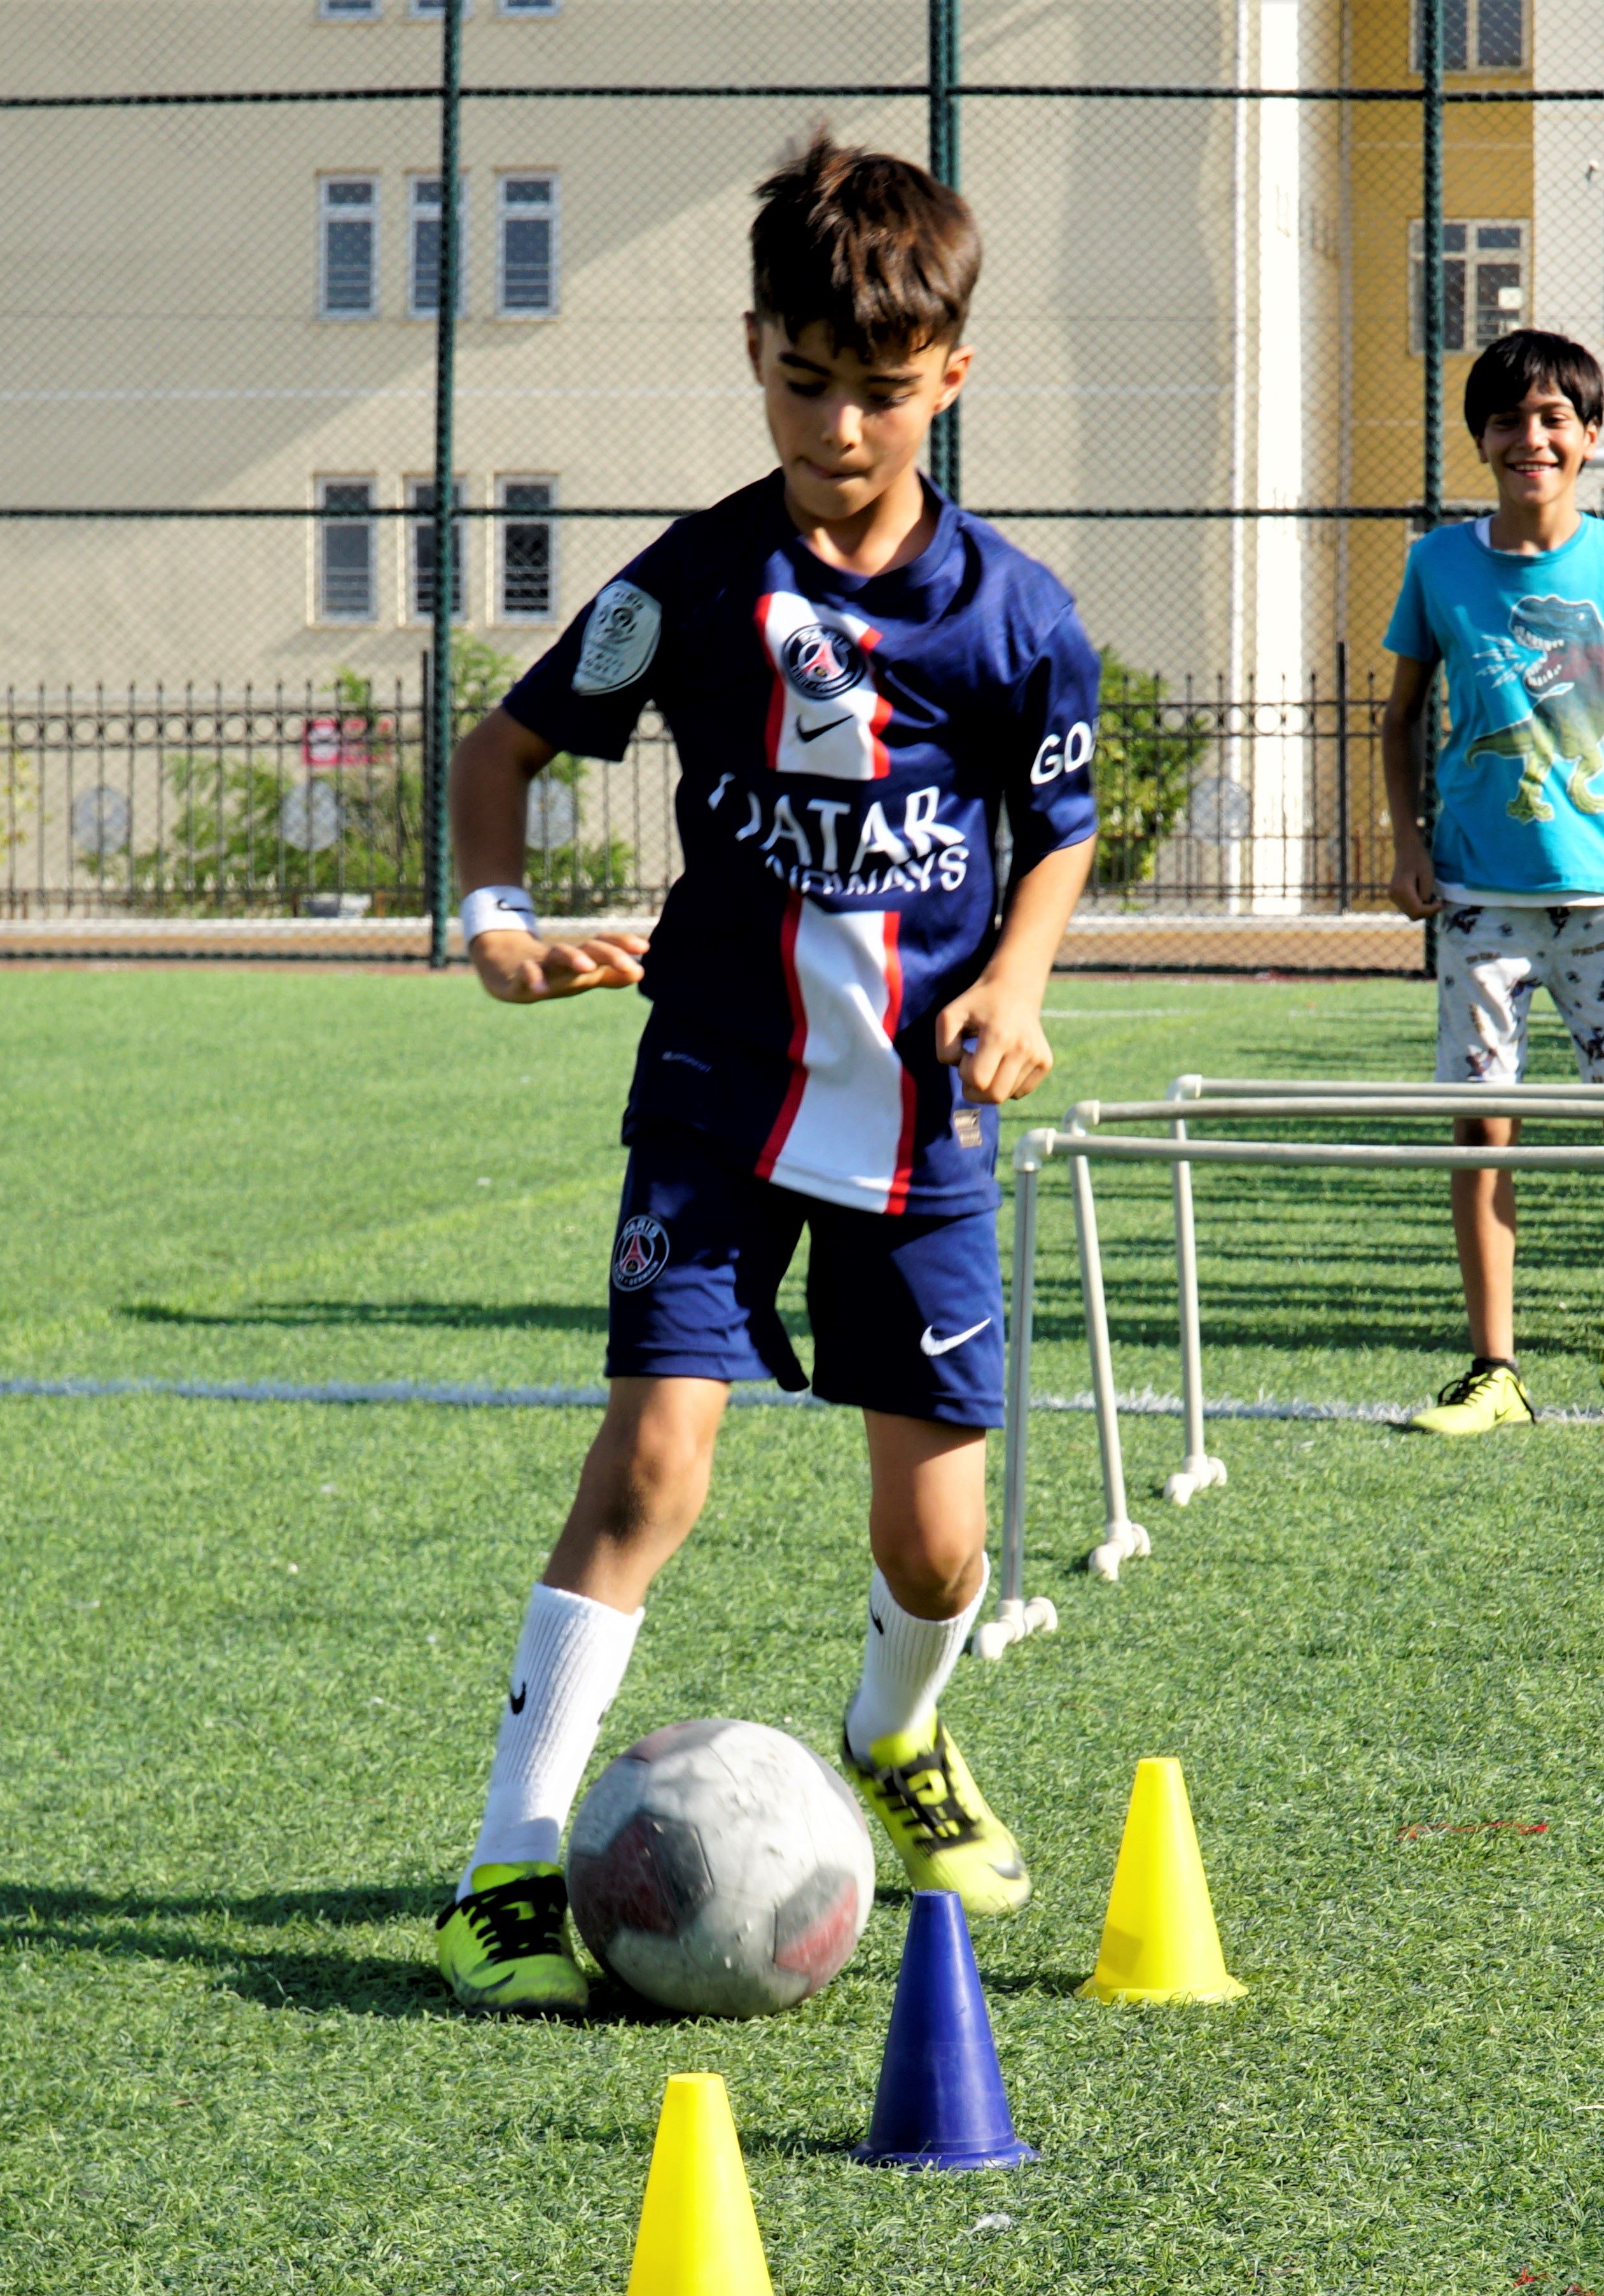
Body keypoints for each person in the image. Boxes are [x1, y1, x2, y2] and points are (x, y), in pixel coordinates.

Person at [430, 135, 1097, 2013]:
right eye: (803, 382)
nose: (838, 424)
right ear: (753, 355)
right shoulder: (689, 583)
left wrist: (1022, 980)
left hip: (922, 1116)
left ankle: (892, 1734)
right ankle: (503, 1852)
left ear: (947, 378)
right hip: (715, 1083)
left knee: (938, 1538)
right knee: (651, 1459)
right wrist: (495, 916)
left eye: (880, 391)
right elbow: (504, 751)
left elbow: (1055, 828)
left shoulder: (1009, 616)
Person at [1383, 329, 1604, 1432]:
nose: (1534, 438)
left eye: (1556, 418)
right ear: (1481, 438)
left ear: (1592, 437)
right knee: (1485, 1127)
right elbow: (1399, 716)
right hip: (1480, 902)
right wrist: (1410, 843)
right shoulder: (1438, 564)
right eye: (1511, 420)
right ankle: (1494, 1368)